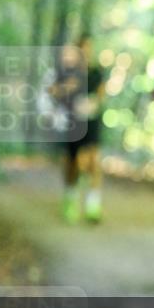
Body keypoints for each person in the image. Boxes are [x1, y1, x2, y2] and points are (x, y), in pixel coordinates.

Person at [52, 36, 106, 224]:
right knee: (73, 163)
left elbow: (101, 95)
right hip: (73, 123)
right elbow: (54, 92)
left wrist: (92, 104)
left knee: (94, 162)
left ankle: (93, 206)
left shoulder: (96, 72)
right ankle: (70, 199)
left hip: (92, 122)